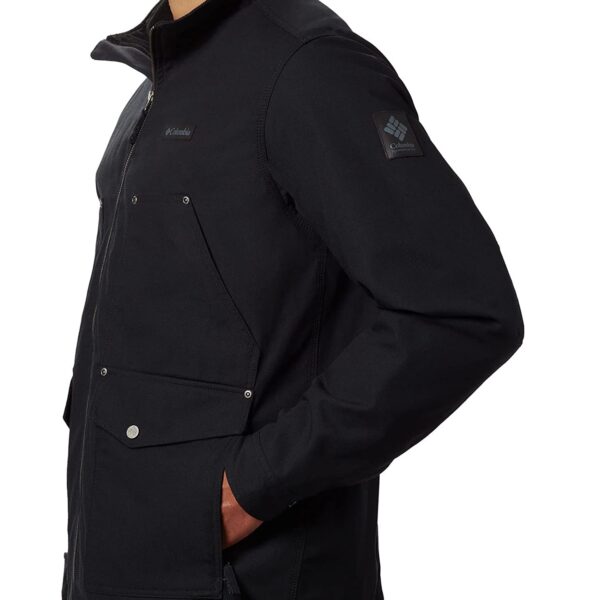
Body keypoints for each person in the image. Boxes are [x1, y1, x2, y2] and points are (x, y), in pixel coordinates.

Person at [61, 0, 524, 598]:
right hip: (125, 568)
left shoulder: (309, 68)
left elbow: (458, 311)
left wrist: (252, 486)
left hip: (248, 577)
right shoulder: (166, 80)